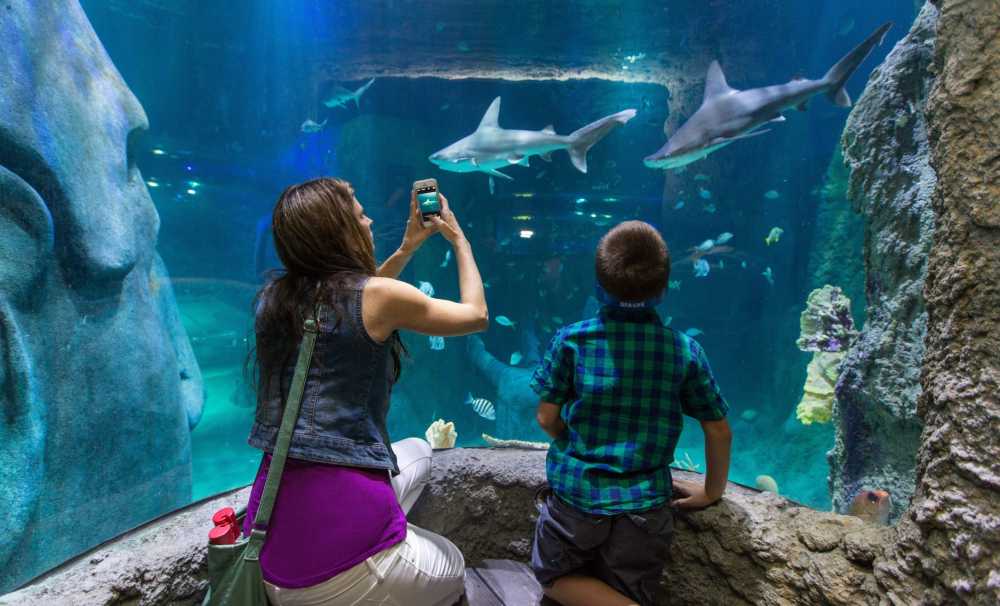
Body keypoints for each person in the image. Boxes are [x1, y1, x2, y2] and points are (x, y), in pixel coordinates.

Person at [243, 177, 488, 606]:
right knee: (453, 564)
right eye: (360, 214)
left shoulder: (273, 300)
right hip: (334, 578)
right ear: (338, 231)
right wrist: (459, 238)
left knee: (419, 451)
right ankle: (386, 547)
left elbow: (351, 303)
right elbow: (475, 315)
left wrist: (407, 248)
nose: (369, 219)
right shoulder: (377, 297)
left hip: (267, 553)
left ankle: (382, 530)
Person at [529, 220, 732, 606]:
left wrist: (568, 440)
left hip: (577, 498)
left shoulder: (571, 341)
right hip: (646, 507)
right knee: (630, 586)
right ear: (665, 289)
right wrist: (712, 490)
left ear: (598, 288)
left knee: (553, 577)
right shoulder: (684, 350)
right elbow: (718, 429)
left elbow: (545, 417)